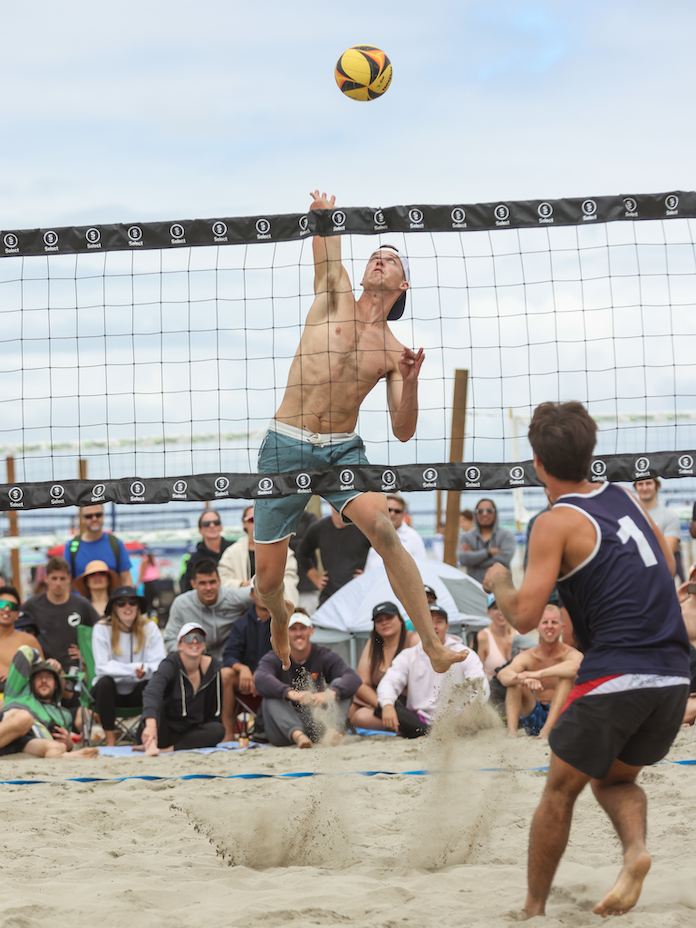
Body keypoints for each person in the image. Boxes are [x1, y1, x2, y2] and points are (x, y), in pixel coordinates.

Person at [483, 400, 691, 918]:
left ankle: (532, 910)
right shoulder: (625, 497)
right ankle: (635, 852)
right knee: (615, 779)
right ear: (590, 452)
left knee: (559, 790)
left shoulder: (554, 522)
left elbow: (525, 617)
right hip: (673, 675)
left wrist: (500, 581)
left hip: (619, 672)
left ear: (537, 462)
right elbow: (665, 564)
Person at [253, 189, 466, 678]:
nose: (379, 258)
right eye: (375, 254)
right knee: (266, 581)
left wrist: (411, 382)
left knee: (386, 531)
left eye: (390, 258)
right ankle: (281, 616)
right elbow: (326, 245)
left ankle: (432, 645)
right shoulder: (334, 293)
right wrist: (324, 218)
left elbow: (403, 430)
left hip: (340, 451)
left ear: (403, 284)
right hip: (286, 442)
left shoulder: (394, 352)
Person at [377, 604, 489, 737]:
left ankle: (436, 733)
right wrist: (387, 704)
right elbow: (390, 681)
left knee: (478, 712)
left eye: (439, 621)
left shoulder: (463, 653)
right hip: (418, 721)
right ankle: (430, 733)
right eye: (429, 622)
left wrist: (471, 707)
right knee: (384, 705)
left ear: (447, 626)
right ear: (419, 627)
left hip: (457, 719)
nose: (434, 626)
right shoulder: (408, 655)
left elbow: (479, 682)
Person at [254, 609, 361, 748]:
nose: (298, 633)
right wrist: (292, 694)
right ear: (285, 633)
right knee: (271, 695)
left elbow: (353, 678)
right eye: (293, 629)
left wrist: (329, 694)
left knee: (340, 685)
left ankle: (332, 731)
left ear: (311, 631)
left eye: (302, 628)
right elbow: (260, 678)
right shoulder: (275, 657)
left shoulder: (324, 654)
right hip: (283, 730)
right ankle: (298, 736)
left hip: (318, 725)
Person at [91, 585, 166, 747]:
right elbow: (102, 667)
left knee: (154, 684)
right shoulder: (101, 628)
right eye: (121, 603)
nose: (127, 606)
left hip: (139, 691)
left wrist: (144, 671)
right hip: (110, 694)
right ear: (114, 608)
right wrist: (134, 670)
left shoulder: (150, 627)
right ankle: (110, 741)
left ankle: (148, 736)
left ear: (138, 606)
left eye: (132, 602)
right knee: (104, 683)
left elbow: (159, 663)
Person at [497, 604, 583, 739]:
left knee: (566, 677)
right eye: (545, 622)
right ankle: (512, 733)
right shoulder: (529, 656)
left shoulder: (570, 654)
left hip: (563, 718)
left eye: (554, 622)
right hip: (536, 716)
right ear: (537, 627)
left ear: (563, 627)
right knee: (515, 683)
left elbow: (576, 666)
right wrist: (524, 679)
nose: (549, 626)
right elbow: (503, 674)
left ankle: (547, 731)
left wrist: (536, 674)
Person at [219, 583, 291, 742]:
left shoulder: (284, 621)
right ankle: (228, 733)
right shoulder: (240, 624)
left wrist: (263, 675)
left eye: (266, 591)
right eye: (258, 591)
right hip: (247, 679)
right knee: (225, 674)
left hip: (275, 677)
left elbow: (288, 655)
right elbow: (229, 655)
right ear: (251, 595)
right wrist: (242, 668)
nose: (262, 595)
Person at [138, 623, 224, 754]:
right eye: (188, 638)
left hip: (190, 732)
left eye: (199, 638)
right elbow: (152, 692)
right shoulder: (170, 664)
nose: (194, 641)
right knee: (158, 701)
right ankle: (151, 743)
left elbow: (214, 713)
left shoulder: (213, 668)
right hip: (163, 728)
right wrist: (150, 726)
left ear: (204, 644)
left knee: (218, 730)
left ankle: (168, 750)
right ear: (180, 645)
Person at [0, 645, 97, 758]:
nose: (44, 681)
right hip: (8, 728)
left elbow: (60, 739)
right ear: (31, 682)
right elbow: (24, 651)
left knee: (57, 746)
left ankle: (68, 757)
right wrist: (42, 662)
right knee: (24, 718)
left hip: (26, 741)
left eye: (49, 677)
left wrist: (69, 743)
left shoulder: (64, 714)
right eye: (38, 677)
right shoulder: (18, 692)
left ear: (56, 684)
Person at [23, 557, 100, 681]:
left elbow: (100, 633)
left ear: (69, 579)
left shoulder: (81, 605)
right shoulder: (32, 605)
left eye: (62, 578)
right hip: (42, 669)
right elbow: (15, 631)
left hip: (73, 671)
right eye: (54, 578)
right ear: (46, 578)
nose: (58, 583)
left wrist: (85, 654)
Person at [348, 601, 418, 731]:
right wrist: (384, 705)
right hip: (381, 701)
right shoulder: (373, 643)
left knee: (361, 717)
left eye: (389, 617)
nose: (384, 623)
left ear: (400, 619)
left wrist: (391, 706)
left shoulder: (413, 640)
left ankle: (409, 726)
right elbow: (361, 683)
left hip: (409, 704)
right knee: (352, 710)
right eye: (379, 620)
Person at [162, 559, 252, 659]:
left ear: (219, 581)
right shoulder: (182, 604)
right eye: (202, 583)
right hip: (194, 660)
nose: (208, 588)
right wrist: (190, 656)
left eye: (212, 582)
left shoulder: (233, 597)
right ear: (193, 584)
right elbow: (170, 639)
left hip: (229, 660)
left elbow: (259, 591)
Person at [218, 504, 299, 605]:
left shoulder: (284, 551)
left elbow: (290, 580)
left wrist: (269, 585)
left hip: (274, 604)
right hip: (242, 607)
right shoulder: (231, 552)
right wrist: (243, 584)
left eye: (262, 519)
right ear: (244, 524)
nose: (257, 523)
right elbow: (223, 580)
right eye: (252, 519)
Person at [297, 505, 371, 606]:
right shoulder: (319, 528)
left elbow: (382, 554)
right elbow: (302, 553)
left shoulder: (362, 527)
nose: (338, 503)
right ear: (328, 501)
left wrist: (368, 576)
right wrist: (316, 579)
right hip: (329, 596)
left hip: (357, 594)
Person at [63, 505, 132, 584]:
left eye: (98, 515)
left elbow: (126, 579)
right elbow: (66, 581)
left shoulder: (115, 543)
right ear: (82, 518)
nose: (94, 519)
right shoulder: (72, 546)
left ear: (103, 515)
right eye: (89, 516)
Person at [457, 498, 516, 583]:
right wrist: (488, 552)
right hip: (474, 588)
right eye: (480, 511)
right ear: (475, 514)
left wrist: (473, 557)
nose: (484, 514)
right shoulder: (466, 537)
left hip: (501, 588)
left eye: (489, 510)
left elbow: (504, 560)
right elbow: (463, 559)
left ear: (495, 513)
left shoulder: (506, 535)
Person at [633, 477, 682, 578]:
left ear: (657, 486)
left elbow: (666, 555)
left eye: (648, 483)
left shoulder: (669, 516)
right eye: (640, 484)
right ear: (635, 487)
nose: (644, 488)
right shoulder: (627, 515)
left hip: (658, 579)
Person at [363, 494, 426, 571]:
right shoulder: (370, 531)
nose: (393, 513)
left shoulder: (413, 536)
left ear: (403, 514)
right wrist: (363, 575)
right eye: (389, 510)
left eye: (397, 511)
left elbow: (422, 565)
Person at [179, 509, 233, 593]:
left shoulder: (234, 549)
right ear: (200, 530)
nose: (212, 525)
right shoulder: (194, 560)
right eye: (206, 524)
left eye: (216, 522)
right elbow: (187, 589)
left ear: (221, 527)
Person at [0, 587, 43, 691]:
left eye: (12, 606)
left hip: (17, 698)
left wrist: (15, 673)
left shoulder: (28, 641)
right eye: (2, 604)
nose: (7, 609)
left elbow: (43, 675)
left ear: (17, 614)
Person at [477, 594, 517, 682]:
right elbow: (475, 674)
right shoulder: (482, 637)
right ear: (489, 613)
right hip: (491, 689)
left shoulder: (518, 635)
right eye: (496, 608)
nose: (500, 612)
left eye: (504, 607)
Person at [137, 550, 160, 615]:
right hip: (156, 581)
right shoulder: (154, 558)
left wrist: (138, 583)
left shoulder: (145, 558)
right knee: (153, 601)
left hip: (148, 582)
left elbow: (142, 572)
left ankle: (149, 616)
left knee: (148, 602)